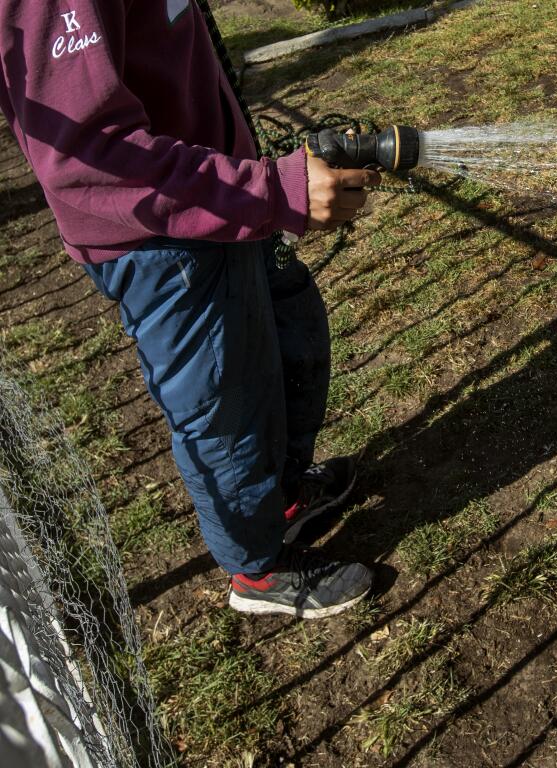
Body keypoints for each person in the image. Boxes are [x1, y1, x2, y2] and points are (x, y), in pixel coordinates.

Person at [0, 0, 376, 618]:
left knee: (286, 338)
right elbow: (87, 156)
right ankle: (256, 572)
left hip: (216, 200)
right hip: (159, 239)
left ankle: (280, 499)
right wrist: (272, 190)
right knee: (224, 405)